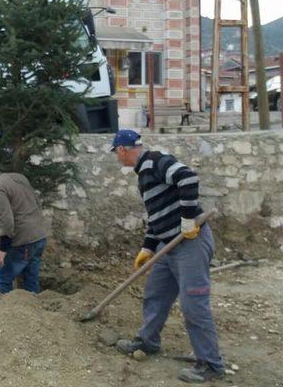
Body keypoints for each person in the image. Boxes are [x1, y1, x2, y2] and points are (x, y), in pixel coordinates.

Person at [110, 129, 224, 384]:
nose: (118, 160)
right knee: (155, 294)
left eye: (117, 155)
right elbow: (157, 216)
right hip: (167, 245)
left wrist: (186, 220)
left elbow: (188, 178)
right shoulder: (143, 175)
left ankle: (211, 364)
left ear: (122, 150)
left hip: (190, 242)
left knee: (193, 303)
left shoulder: (156, 160)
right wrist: (147, 247)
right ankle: (148, 341)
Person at [0, 168, 47, 294]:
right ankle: (34, 309)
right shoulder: (19, 176)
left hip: (24, 240)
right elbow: (37, 203)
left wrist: (3, 249)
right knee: (31, 277)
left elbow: (6, 220)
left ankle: (8, 312)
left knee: (2, 278)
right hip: (40, 235)